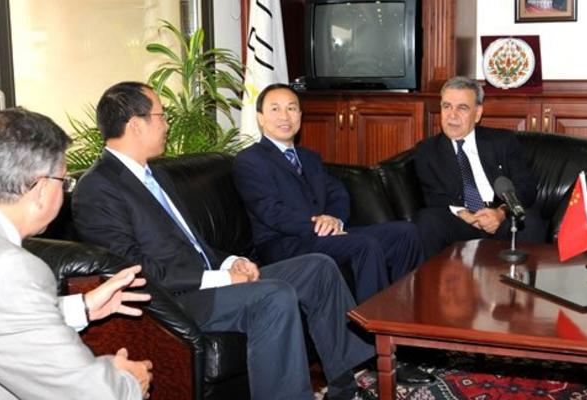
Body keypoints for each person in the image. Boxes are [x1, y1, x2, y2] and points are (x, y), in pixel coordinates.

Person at [71, 81, 374, 400]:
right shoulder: (98, 188)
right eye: (161, 115)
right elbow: (132, 270)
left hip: (207, 281)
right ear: (136, 124)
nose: (167, 124)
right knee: (273, 296)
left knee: (318, 268)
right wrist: (221, 278)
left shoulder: (156, 175)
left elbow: (194, 244)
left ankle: (348, 386)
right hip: (173, 300)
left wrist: (232, 261)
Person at [0, 108, 152, 400]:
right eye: (64, 181)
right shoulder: (8, 268)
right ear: (40, 188)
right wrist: (129, 381)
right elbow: (93, 395)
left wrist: (81, 307)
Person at [232, 83, 425, 303]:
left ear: (300, 115)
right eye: (275, 109)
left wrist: (334, 219)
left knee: (406, 233)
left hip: (322, 235)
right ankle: (372, 321)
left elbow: (337, 192)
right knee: (364, 245)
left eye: (291, 108)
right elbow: (270, 211)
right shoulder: (250, 160)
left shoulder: (309, 157)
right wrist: (319, 227)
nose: (285, 116)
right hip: (284, 243)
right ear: (260, 118)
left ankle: (405, 310)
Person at [413, 76, 540, 258]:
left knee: (530, 221)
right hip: (460, 221)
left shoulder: (503, 141)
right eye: (447, 106)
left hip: (500, 217)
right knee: (427, 220)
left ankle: (521, 277)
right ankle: (433, 277)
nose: (452, 115)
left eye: (462, 108)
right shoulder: (427, 150)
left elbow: (526, 187)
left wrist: (501, 212)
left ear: (478, 113)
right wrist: (464, 213)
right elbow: (433, 196)